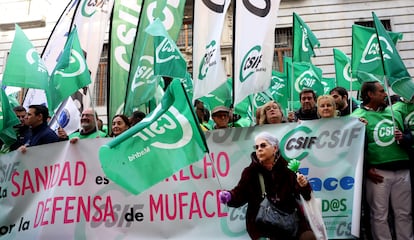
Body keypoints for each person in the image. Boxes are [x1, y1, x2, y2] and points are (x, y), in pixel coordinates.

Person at [219, 132, 315, 240]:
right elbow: (240, 194)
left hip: (291, 222)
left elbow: (306, 196)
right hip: (263, 225)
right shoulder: (250, 172)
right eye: (256, 147)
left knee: (309, 237)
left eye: (263, 145)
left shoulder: (288, 169)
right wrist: (229, 196)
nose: (259, 149)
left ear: (274, 148)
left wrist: (304, 185)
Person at [351, 81, 413, 240]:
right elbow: (352, 150)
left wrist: (404, 138)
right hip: (378, 173)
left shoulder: (395, 113)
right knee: (379, 215)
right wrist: (366, 170)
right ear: (370, 94)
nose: (385, 94)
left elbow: (409, 137)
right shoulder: (356, 117)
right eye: (381, 91)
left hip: (403, 170)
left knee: (404, 213)